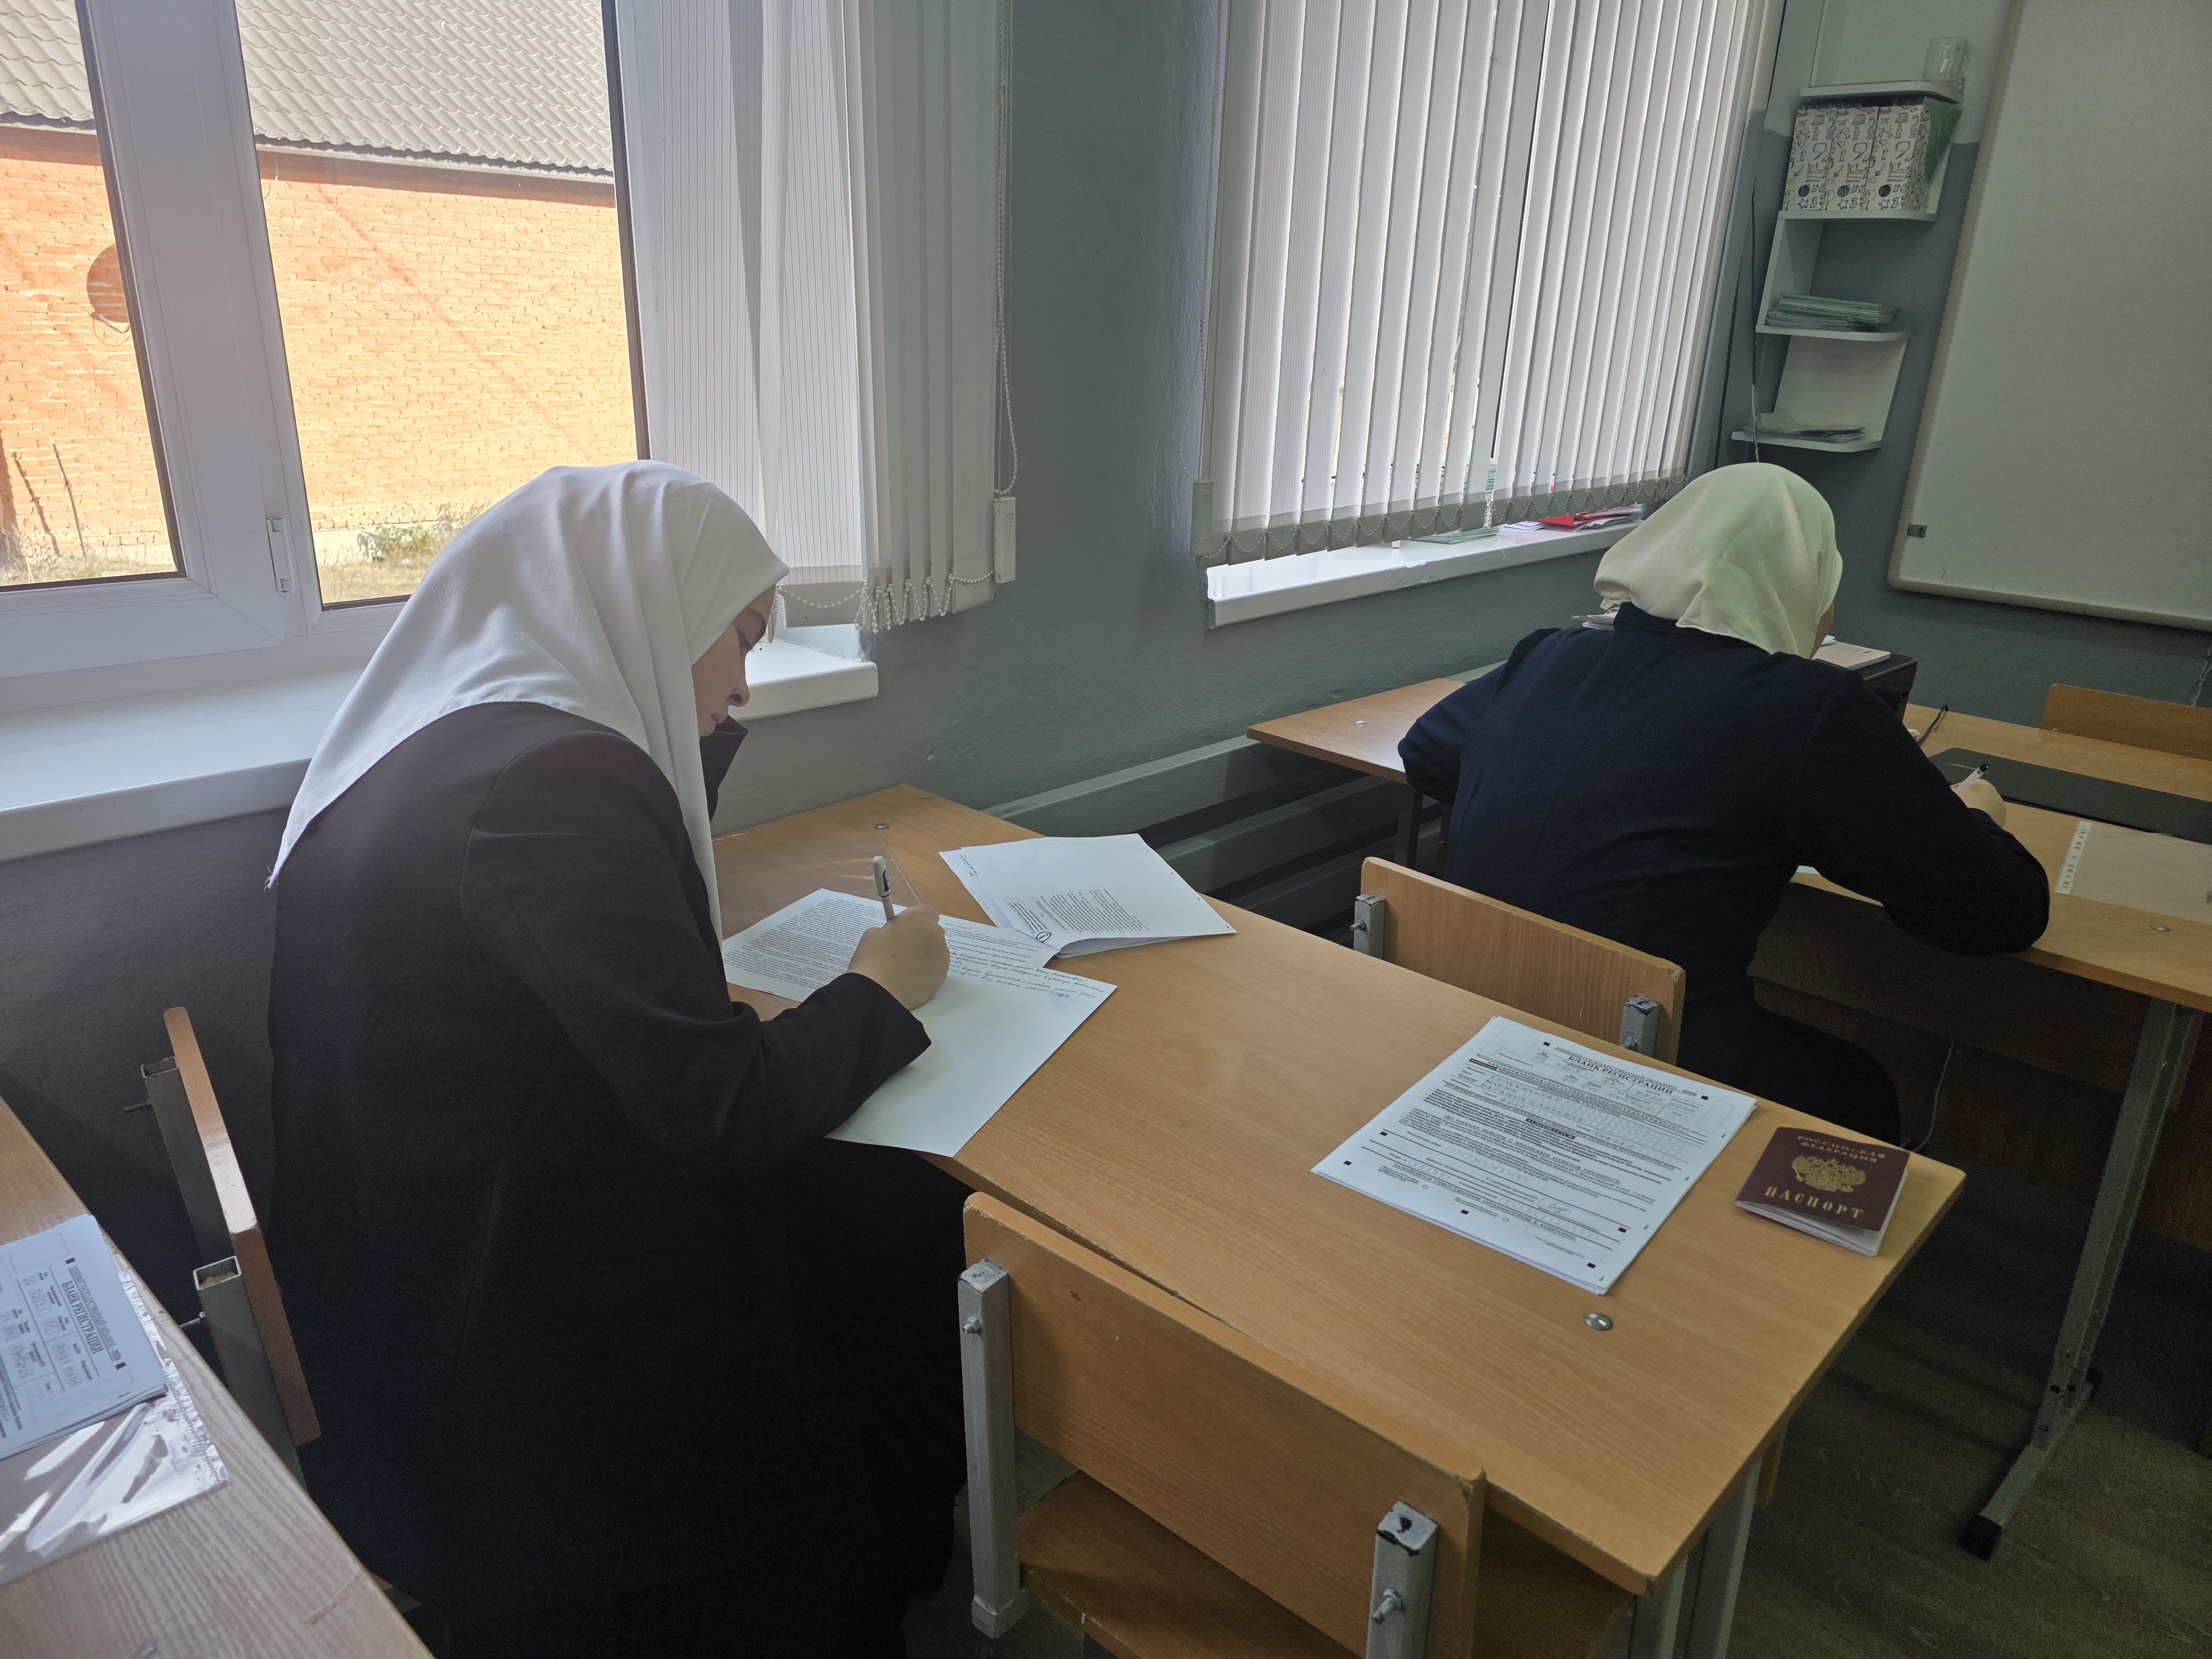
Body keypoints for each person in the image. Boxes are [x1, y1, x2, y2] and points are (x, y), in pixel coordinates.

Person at [265, 462, 963, 1657]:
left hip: (410, 1282)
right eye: (738, 637)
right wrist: (879, 986)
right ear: (643, 606)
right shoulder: (552, 785)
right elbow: (724, 1112)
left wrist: (692, 727)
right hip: (524, 1357)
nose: (741, 686)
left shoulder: (448, 735)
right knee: (891, 1211)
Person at [1399, 463, 2048, 1141]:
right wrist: (1976, 814)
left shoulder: (1551, 655)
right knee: (1859, 1090)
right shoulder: (1812, 707)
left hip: (1485, 1021)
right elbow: (1996, 913)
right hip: (1650, 1059)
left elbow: (1428, 752)